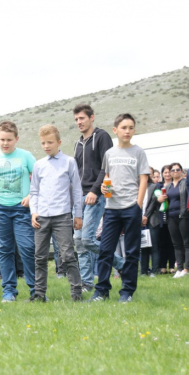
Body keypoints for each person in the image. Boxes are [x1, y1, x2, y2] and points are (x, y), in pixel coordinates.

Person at [89, 113, 149, 303]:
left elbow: (143, 180)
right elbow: (107, 178)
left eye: (131, 127)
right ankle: (101, 291)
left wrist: (138, 205)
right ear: (115, 130)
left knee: (131, 251)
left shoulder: (138, 152)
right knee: (106, 250)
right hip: (112, 209)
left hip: (131, 207)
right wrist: (105, 189)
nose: (127, 131)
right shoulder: (109, 154)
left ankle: (127, 292)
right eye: (124, 127)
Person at [0, 121, 36, 303]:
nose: (5, 143)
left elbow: (39, 178)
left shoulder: (26, 156)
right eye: (2, 139)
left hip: (22, 209)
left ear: (16, 139)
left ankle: (36, 290)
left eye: (9, 140)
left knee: (27, 248)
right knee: (4, 250)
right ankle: (9, 291)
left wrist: (31, 196)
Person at [73, 104, 124, 293]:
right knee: (79, 242)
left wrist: (95, 191)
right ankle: (86, 283)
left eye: (82, 118)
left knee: (87, 240)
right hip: (79, 197)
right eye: (76, 119)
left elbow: (107, 167)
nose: (79, 122)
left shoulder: (102, 137)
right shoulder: (77, 144)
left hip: (96, 195)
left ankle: (122, 264)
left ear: (91, 118)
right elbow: (76, 173)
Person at [29, 125, 83, 302]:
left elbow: (76, 190)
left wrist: (78, 214)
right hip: (42, 217)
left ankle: (76, 293)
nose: (46, 146)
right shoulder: (39, 165)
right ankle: (39, 294)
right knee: (40, 256)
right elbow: (34, 191)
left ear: (59, 142)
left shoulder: (69, 162)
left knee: (67, 255)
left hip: (62, 216)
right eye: (43, 143)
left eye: (50, 142)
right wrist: (33, 212)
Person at [158, 163, 189, 278]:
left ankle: (186, 268)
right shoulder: (168, 186)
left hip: (183, 215)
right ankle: (179, 268)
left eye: (177, 169)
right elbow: (161, 199)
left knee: (186, 243)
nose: (175, 172)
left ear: (181, 171)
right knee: (176, 244)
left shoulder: (185, 183)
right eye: (173, 170)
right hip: (170, 216)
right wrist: (160, 199)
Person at [158, 165, 176, 274]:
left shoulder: (175, 186)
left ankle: (172, 266)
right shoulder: (158, 186)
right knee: (162, 243)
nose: (168, 174)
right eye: (165, 172)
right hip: (160, 219)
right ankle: (163, 266)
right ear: (162, 174)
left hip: (172, 218)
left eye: (169, 172)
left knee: (172, 243)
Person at [142, 175, 161, 276]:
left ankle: (154, 271)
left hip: (152, 220)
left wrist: (145, 216)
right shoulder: (136, 187)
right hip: (139, 220)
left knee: (153, 247)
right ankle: (143, 271)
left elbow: (153, 202)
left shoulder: (153, 186)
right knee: (143, 247)